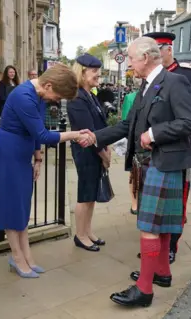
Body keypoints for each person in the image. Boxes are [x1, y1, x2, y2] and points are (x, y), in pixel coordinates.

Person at [79, 37, 191, 308]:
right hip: (151, 163)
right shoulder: (147, 86)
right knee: (161, 225)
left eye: (132, 59)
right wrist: (94, 137)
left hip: (165, 162)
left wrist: (154, 133)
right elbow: (126, 125)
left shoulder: (175, 82)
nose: (130, 65)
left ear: (145, 58)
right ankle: (161, 273)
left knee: (148, 227)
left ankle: (144, 290)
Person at [0, 63, 85, 279]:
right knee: (12, 205)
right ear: (48, 85)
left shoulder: (37, 95)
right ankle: (18, 257)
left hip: (21, 152)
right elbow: (43, 135)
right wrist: (74, 134)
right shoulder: (23, 96)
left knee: (22, 204)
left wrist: (38, 157)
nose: (55, 100)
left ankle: (26, 255)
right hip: (7, 154)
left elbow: (35, 131)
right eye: (57, 95)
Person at [143, 32, 191, 264]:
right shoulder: (150, 76)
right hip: (154, 149)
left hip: (180, 147)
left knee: (176, 203)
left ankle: (170, 245)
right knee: (154, 203)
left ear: (168, 49)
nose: (152, 55)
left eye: (156, 49)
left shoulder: (188, 76)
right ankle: (157, 247)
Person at [67, 54, 110, 252]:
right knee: (85, 194)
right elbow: (88, 131)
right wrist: (104, 155)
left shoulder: (90, 95)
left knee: (91, 193)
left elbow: (100, 125)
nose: (98, 75)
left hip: (96, 150)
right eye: (94, 72)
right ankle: (80, 235)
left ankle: (88, 231)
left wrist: (106, 148)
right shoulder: (76, 97)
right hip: (86, 152)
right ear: (82, 73)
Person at [121, 76, 142, 215]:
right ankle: (135, 203)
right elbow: (125, 122)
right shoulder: (130, 98)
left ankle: (138, 204)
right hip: (135, 142)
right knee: (134, 173)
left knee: (138, 174)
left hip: (148, 141)